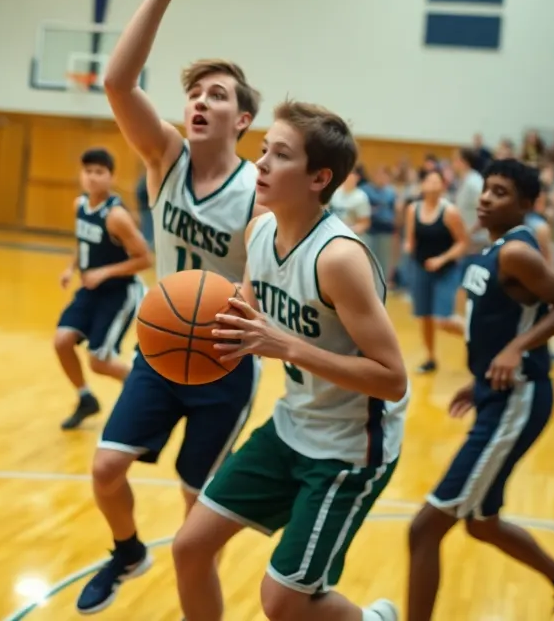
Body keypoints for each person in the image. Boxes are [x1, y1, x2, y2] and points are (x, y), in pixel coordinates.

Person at [76, 0, 264, 615]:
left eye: (217, 94)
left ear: (243, 119)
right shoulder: (164, 158)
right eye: (195, 92)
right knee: (105, 469)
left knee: (195, 519)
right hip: (161, 345)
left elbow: (271, 283)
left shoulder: (259, 191)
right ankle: (126, 550)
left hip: (221, 362)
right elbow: (118, 84)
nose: (201, 100)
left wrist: (250, 312)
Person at [171, 101, 405, 621]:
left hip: (349, 449)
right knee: (189, 547)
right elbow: (250, 314)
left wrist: (284, 346)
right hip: (292, 425)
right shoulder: (258, 233)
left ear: (319, 177)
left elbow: (392, 380)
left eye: (280, 156)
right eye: (262, 151)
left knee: (282, 602)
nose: (261, 164)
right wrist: (197, 329)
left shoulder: (338, 258)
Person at [406, 159, 554, 621]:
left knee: (424, 530)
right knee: (482, 523)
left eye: (501, 192)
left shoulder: (517, 253)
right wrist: (481, 374)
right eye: (486, 189)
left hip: (519, 398)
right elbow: (499, 321)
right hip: (496, 391)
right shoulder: (493, 250)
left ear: (526, 204)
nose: (486, 198)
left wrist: (516, 350)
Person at [56, 148, 152, 430]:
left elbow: (145, 258)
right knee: (62, 341)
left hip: (120, 292)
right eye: (88, 171)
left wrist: (104, 272)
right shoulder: (80, 205)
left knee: (99, 361)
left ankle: (146, 390)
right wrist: (71, 268)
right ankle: (86, 399)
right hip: (91, 289)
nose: (93, 178)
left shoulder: (116, 216)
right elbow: (83, 243)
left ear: (111, 177)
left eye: (100, 172)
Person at [403, 169, 470, 373]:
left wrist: (442, 259)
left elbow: (463, 243)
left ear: (443, 186)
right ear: (422, 185)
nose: (432, 186)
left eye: (436, 182)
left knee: (443, 319)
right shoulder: (413, 209)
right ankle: (430, 358)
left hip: (446, 271)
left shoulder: (450, 212)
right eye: (428, 181)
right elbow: (410, 238)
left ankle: (476, 334)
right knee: (424, 316)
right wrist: (408, 248)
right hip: (420, 268)